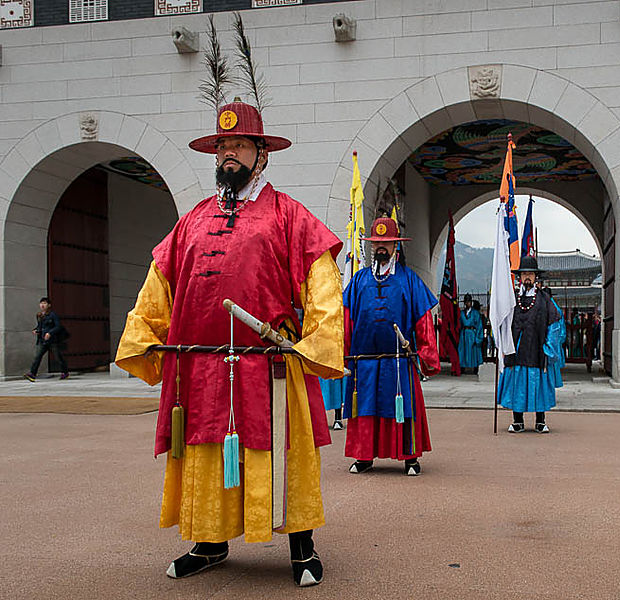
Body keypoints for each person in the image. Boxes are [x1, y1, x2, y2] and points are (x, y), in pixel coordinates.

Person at [115, 100, 344, 586]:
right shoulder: (194, 219)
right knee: (203, 451)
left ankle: (301, 545)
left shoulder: (288, 214)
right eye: (222, 147)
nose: (228, 155)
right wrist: (145, 334)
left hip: (269, 365)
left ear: (262, 154)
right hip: (198, 368)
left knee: (283, 451)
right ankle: (209, 542)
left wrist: (316, 341)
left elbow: (322, 280)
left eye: (239, 145)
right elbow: (160, 279)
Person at [342, 217, 440, 476]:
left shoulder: (409, 280)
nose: (381, 248)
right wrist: (343, 354)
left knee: (403, 408)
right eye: (377, 243)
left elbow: (423, 321)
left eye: (386, 243)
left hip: (399, 361)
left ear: (396, 246)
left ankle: (409, 457)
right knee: (365, 408)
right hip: (364, 362)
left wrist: (427, 355)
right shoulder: (359, 280)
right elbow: (346, 320)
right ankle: (364, 457)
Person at [498, 256, 563, 433]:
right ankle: (517, 421)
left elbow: (554, 324)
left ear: (536, 277)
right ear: (520, 277)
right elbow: (502, 322)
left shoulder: (544, 299)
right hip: (516, 349)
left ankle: (540, 421)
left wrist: (549, 348)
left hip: (536, 349)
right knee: (517, 384)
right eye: (524, 274)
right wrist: (503, 343)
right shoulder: (511, 299)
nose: (527, 277)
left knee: (538, 385)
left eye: (531, 274)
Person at [24, 297, 69, 381]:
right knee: (37, 357)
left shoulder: (53, 315)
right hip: (42, 340)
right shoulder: (39, 315)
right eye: (41, 303)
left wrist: (50, 333)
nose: (42, 305)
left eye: (44, 303)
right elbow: (40, 326)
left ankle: (65, 372)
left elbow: (58, 326)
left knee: (58, 357)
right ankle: (32, 374)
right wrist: (36, 330)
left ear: (49, 305)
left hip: (53, 341)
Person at [543, 288, 566, 389]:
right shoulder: (553, 306)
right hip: (555, 338)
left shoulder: (550, 306)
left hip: (552, 338)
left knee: (552, 361)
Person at [458, 293, 484, 374]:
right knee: (463, 350)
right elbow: (459, 324)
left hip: (472, 333)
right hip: (464, 333)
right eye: (466, 302)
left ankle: (475, 367)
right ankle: (462, 367)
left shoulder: (475, 313)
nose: (467, 303)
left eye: (469, 302)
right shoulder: (462, 313)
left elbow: (479, 326)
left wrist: (478, 337)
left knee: (474, 350)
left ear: (471, 302)